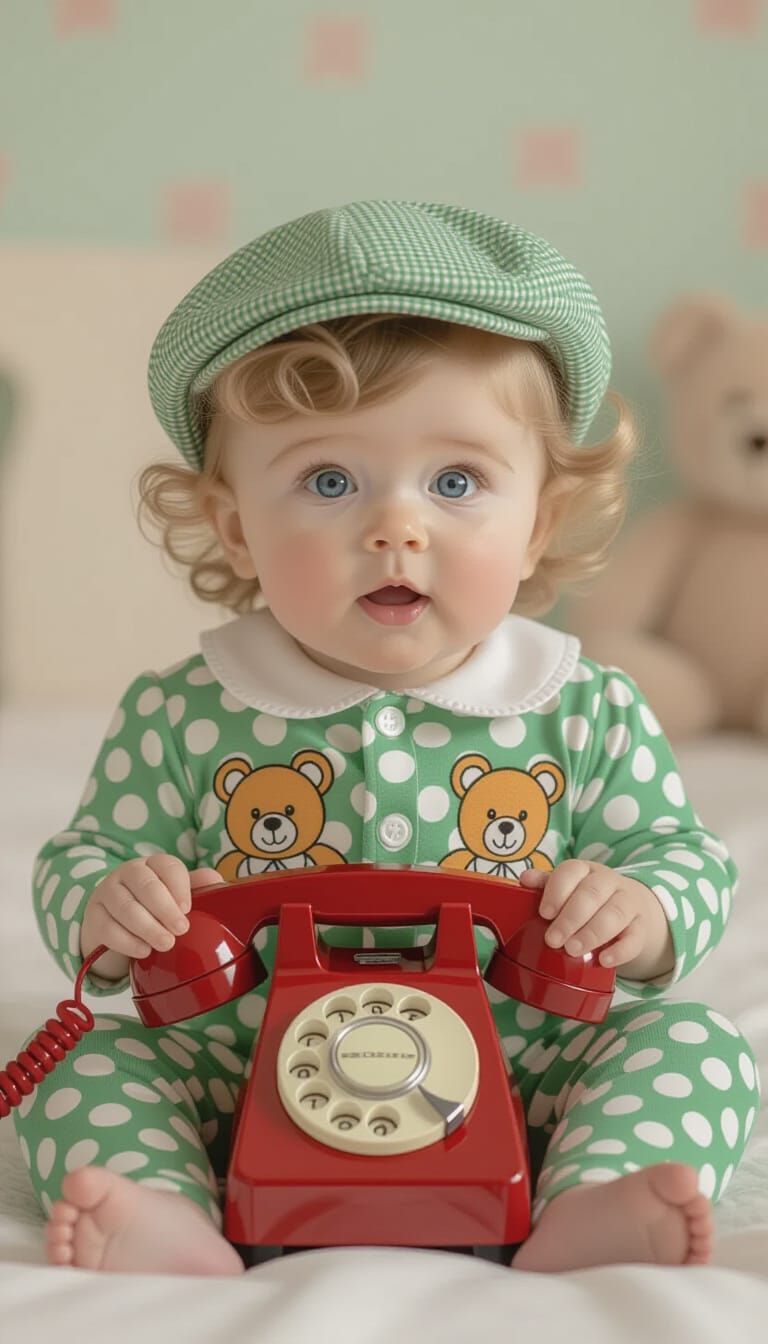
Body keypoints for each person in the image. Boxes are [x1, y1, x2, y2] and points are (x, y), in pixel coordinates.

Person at [13, 199, 760, 1277]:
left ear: (540, 519)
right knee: (73, 1063)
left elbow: (683, 860)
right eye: (329, 481)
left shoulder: (585, 705)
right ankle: (159, 1212)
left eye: (456, 482)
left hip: (537, 1058)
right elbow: (81, 864)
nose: (396, 527)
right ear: (235, 525)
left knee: (698, 1045)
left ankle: (593, 1202)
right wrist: (109, 904)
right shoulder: (182, 710)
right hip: (240, 1069)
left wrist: (639, 913)